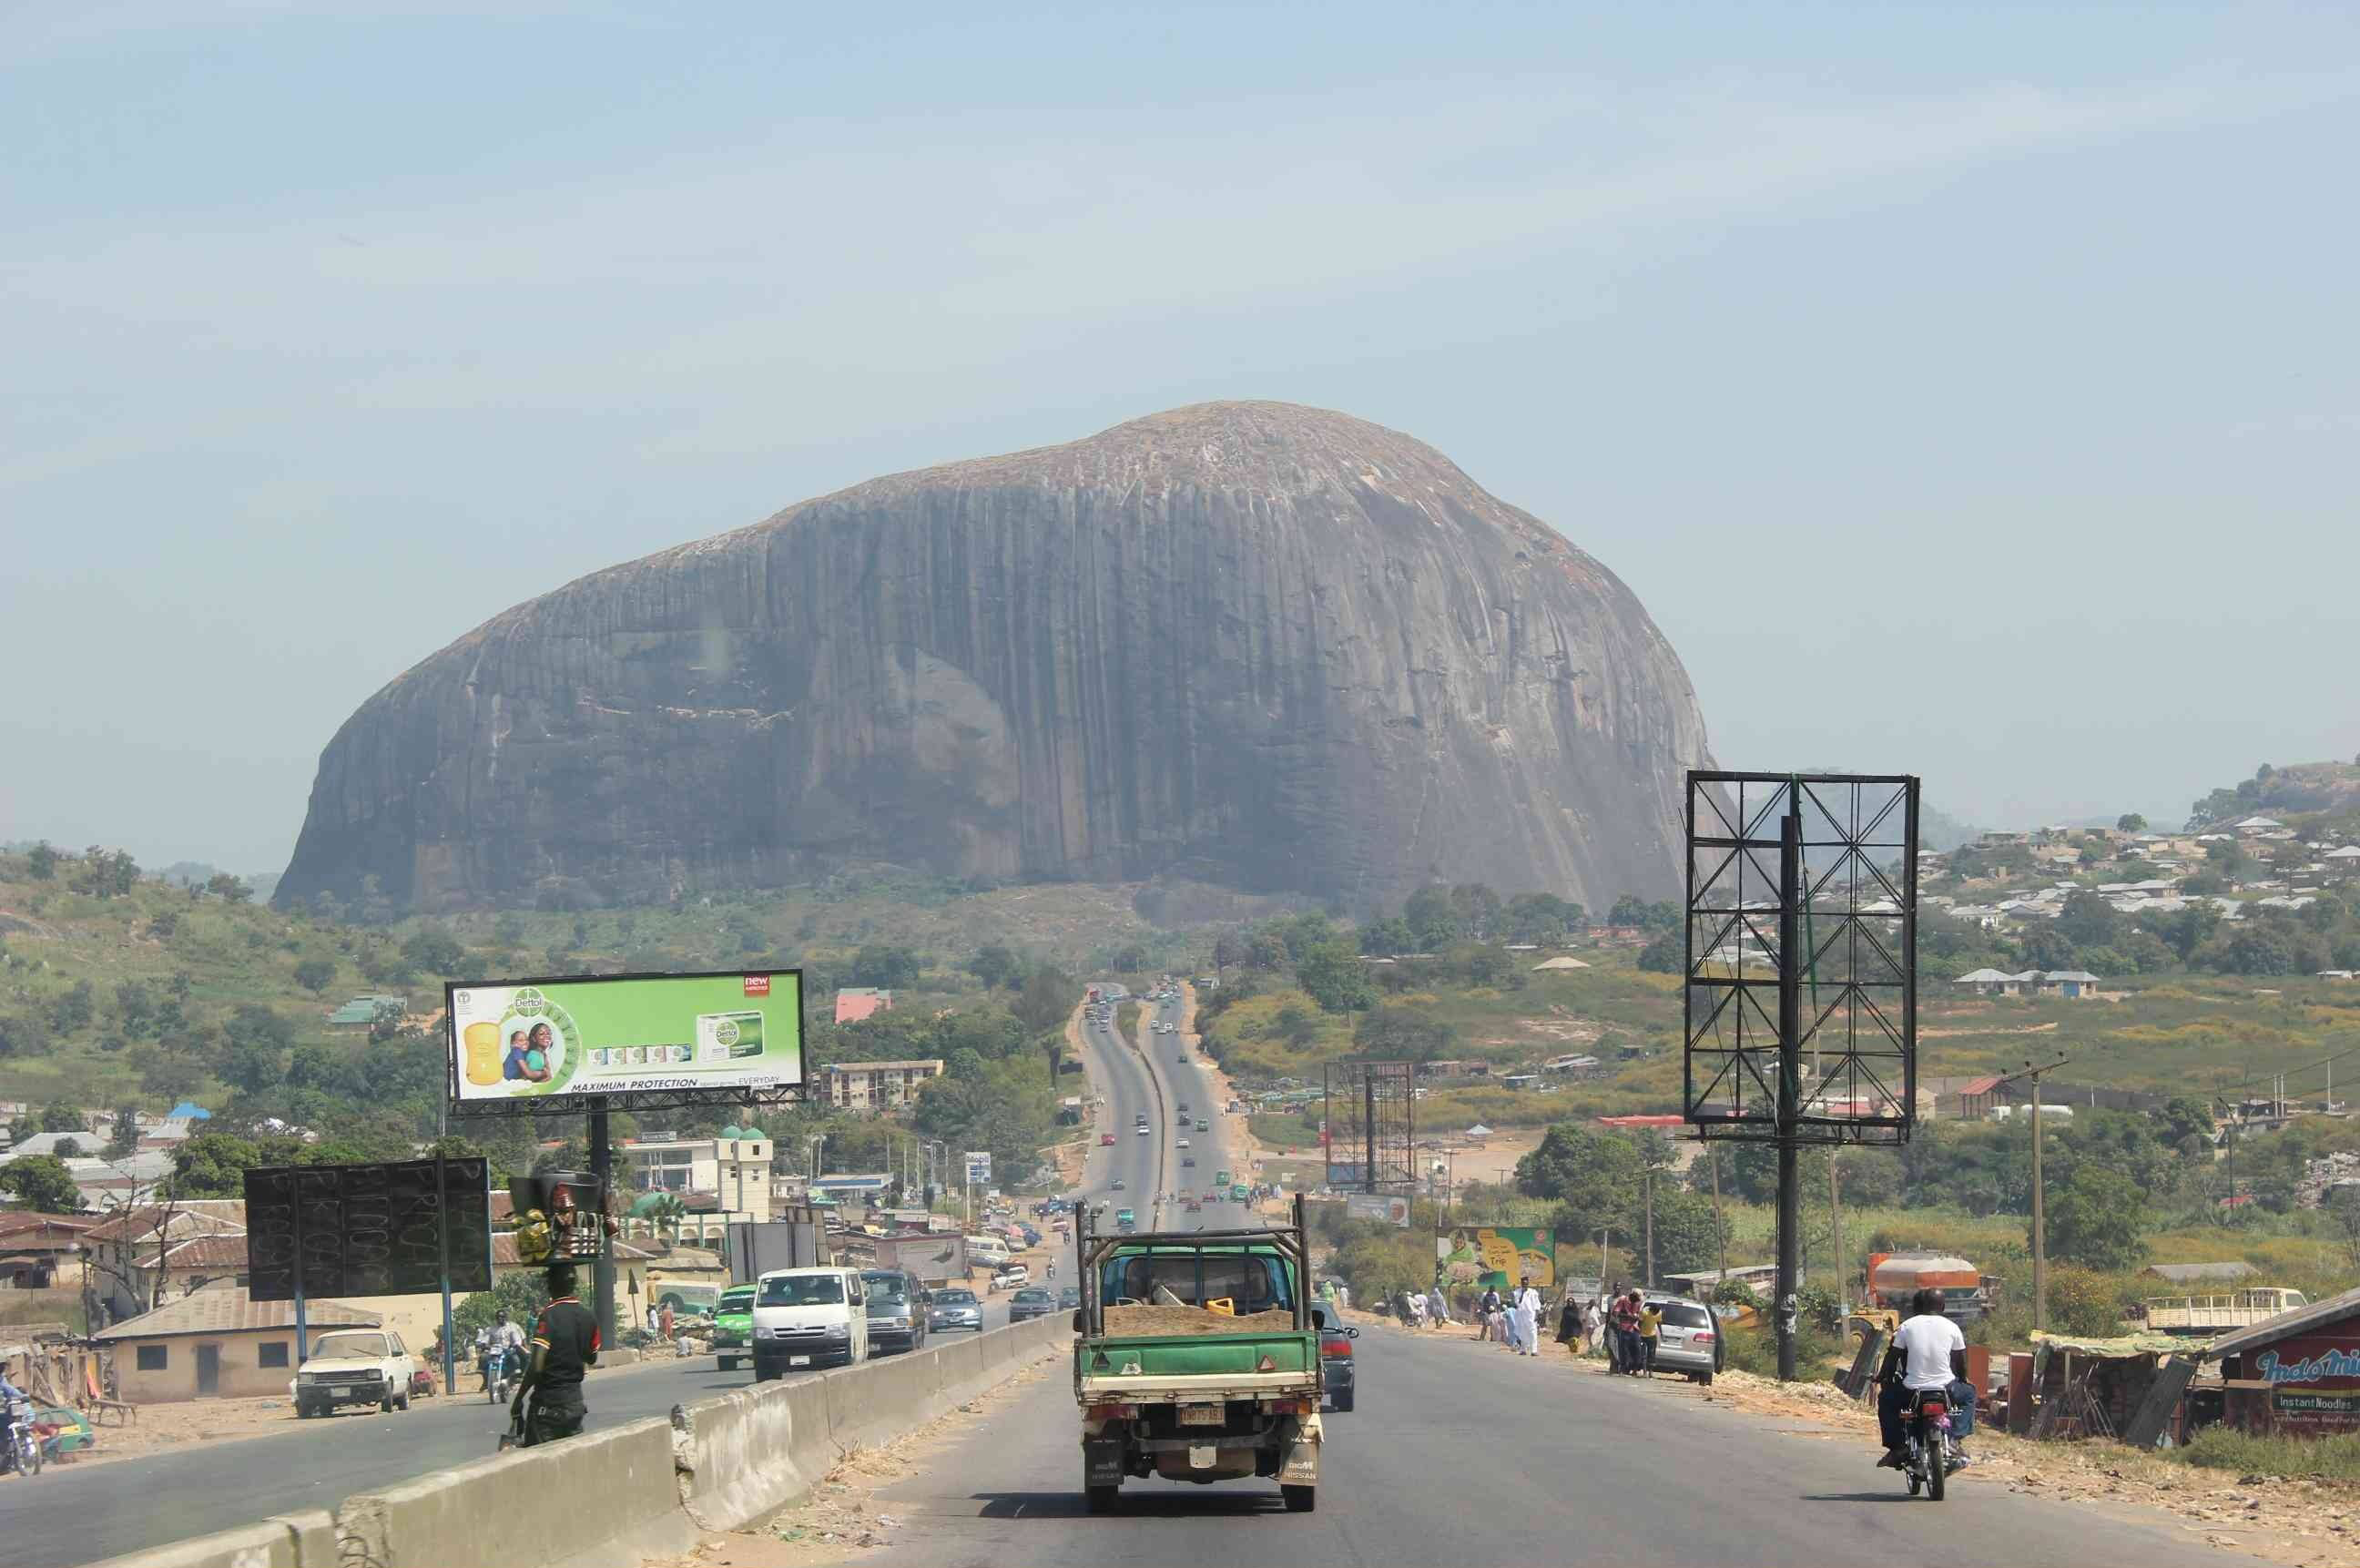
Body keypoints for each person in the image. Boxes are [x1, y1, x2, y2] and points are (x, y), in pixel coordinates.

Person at [1877, 1288, 1969, 1470]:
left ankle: (1897, 1447)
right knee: (1969, 1395)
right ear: (1942, 1306)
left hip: (1912, 1390)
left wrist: (1882, 1377)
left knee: (1885, 1400)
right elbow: (1961, 1362)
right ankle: (1955, 1439)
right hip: (1946, 1388)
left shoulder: (1906, 1326)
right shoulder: (1952, 1327)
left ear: (1915, 1307)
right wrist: (1964, 1380)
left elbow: (1892, 1357)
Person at [513, 1261, 600, 1445]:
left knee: (538, 1465)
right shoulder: (589, 1316)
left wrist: (519, 1398)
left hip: (548, 1405)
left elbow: (537, 1366)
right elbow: (591, 1357)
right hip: (575, 1403)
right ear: (574, 1283)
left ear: (550, 1285)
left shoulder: (549, 1315)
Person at [1511, 1278, 1542, 1356]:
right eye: (1523, 1283)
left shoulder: (1533, 1292)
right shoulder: (1517, 1292)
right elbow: (1517, 1303)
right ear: (1521, 1283)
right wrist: (1522, 1293)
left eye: (1526, 1283)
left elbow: (1537, 1304)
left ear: (1528, 1283)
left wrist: (1536, 1315)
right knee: (1522, 1332)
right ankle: (1523, 1350)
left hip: (1530, 1315)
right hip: (1521, 1315)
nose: (1525, 1284)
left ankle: (1534, 1351)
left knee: (1532, 1332)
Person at [1636, 1297, 1663, 1376]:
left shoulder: (1659, 1313)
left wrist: (1661, 1332)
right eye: (1655, 1313)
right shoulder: (1644, 1312)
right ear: (1651, 1310)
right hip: (1643, 1336)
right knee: (1643, 1354)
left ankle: (1650, 1372)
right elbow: (1639, 1323)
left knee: (1651, 1354)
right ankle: (1644, 1372)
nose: (1656, 1314)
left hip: (1652, 1335)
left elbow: (1659, 1322)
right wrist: (1639, 1333)